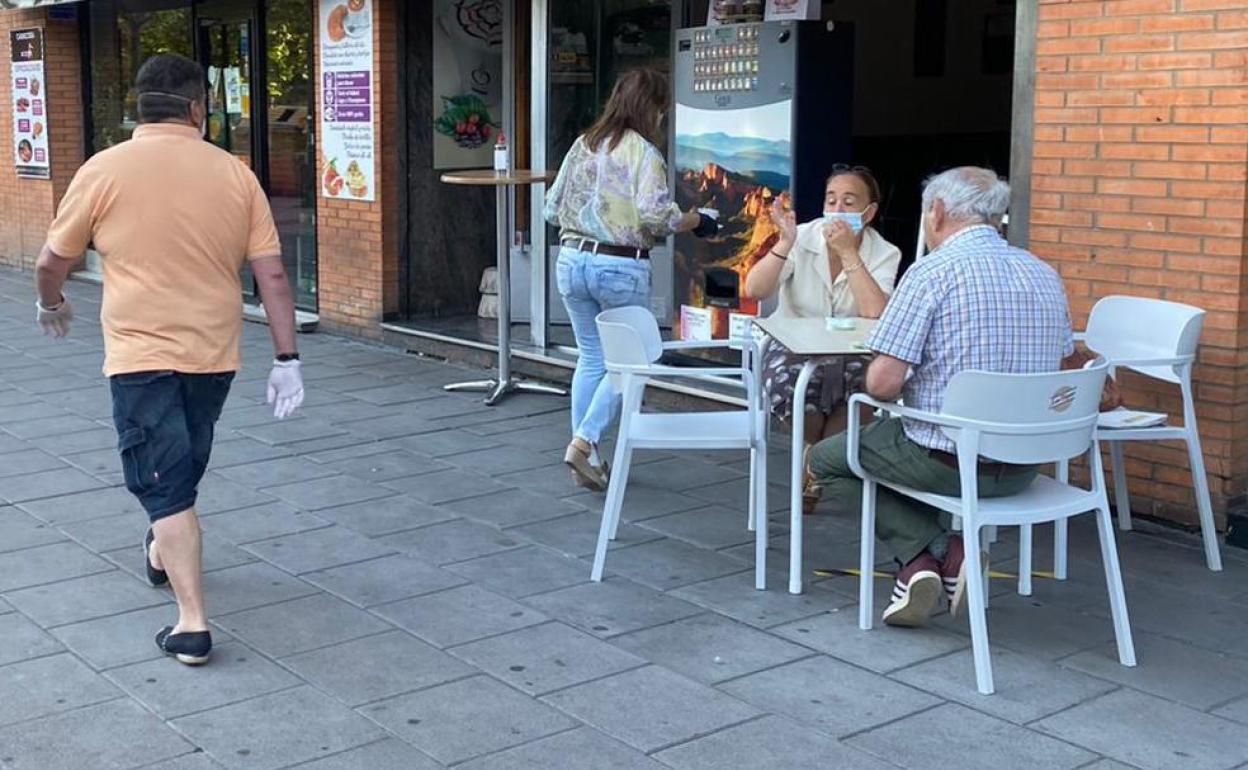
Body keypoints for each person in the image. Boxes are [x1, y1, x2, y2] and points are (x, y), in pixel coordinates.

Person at [33, 54, 305, 666]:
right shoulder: (235, 174)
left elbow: (53, 260)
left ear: (140, 107)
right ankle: (170, 565)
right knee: (178, 465)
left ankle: (191, 623)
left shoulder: (103, 169)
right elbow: (273, 275)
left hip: (139, 352)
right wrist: (287, 356)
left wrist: (50, 304)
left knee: (166, 473)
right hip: (214, 353)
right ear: (195, 109)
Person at [808, 167, 1074, 628]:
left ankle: (936, 553)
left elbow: (882, 385)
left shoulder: (931, 273)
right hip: (1025, 467)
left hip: (948, 465)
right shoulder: (1044, 273)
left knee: (830, 458)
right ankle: (931, 563)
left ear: (937, 212)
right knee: (904, 444)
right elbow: (1063, 363)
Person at [544, 68, 717, 491]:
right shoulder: (645, 154)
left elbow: (551, 208)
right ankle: (584, 443)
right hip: (619, 265)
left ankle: (593, 459)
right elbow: (656, 215)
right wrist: (696, 219)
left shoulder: (583, 144)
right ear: (654, 108)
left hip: (571, 259)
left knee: (591, 358)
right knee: (634, 360)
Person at [744, 166, 901, 514]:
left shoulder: (884, 252)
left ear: (869, 212)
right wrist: (784, 243)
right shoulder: (801, 237)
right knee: (802, 393)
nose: (838, 210)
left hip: (853, 352)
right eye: (831, 201)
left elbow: (877, 312)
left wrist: (849, 254)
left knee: (864, 393)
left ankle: (811, 467)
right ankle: (816, 466)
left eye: (849, 202)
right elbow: (754, 289)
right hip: (792, 347)